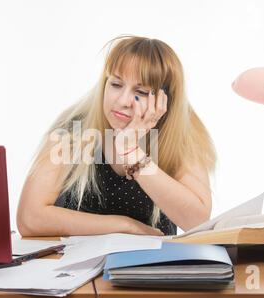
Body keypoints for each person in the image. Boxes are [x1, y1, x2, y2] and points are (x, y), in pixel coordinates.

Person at [17, 35, 216, 237]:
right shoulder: (73, 128)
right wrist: (124, 226)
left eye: (141, 91)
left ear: (165, 101)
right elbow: (30, 218)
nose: (123, 101)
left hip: (149, 265)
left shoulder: (181, 135)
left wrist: (132, 152)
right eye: (116, 84)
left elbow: (197, 221)